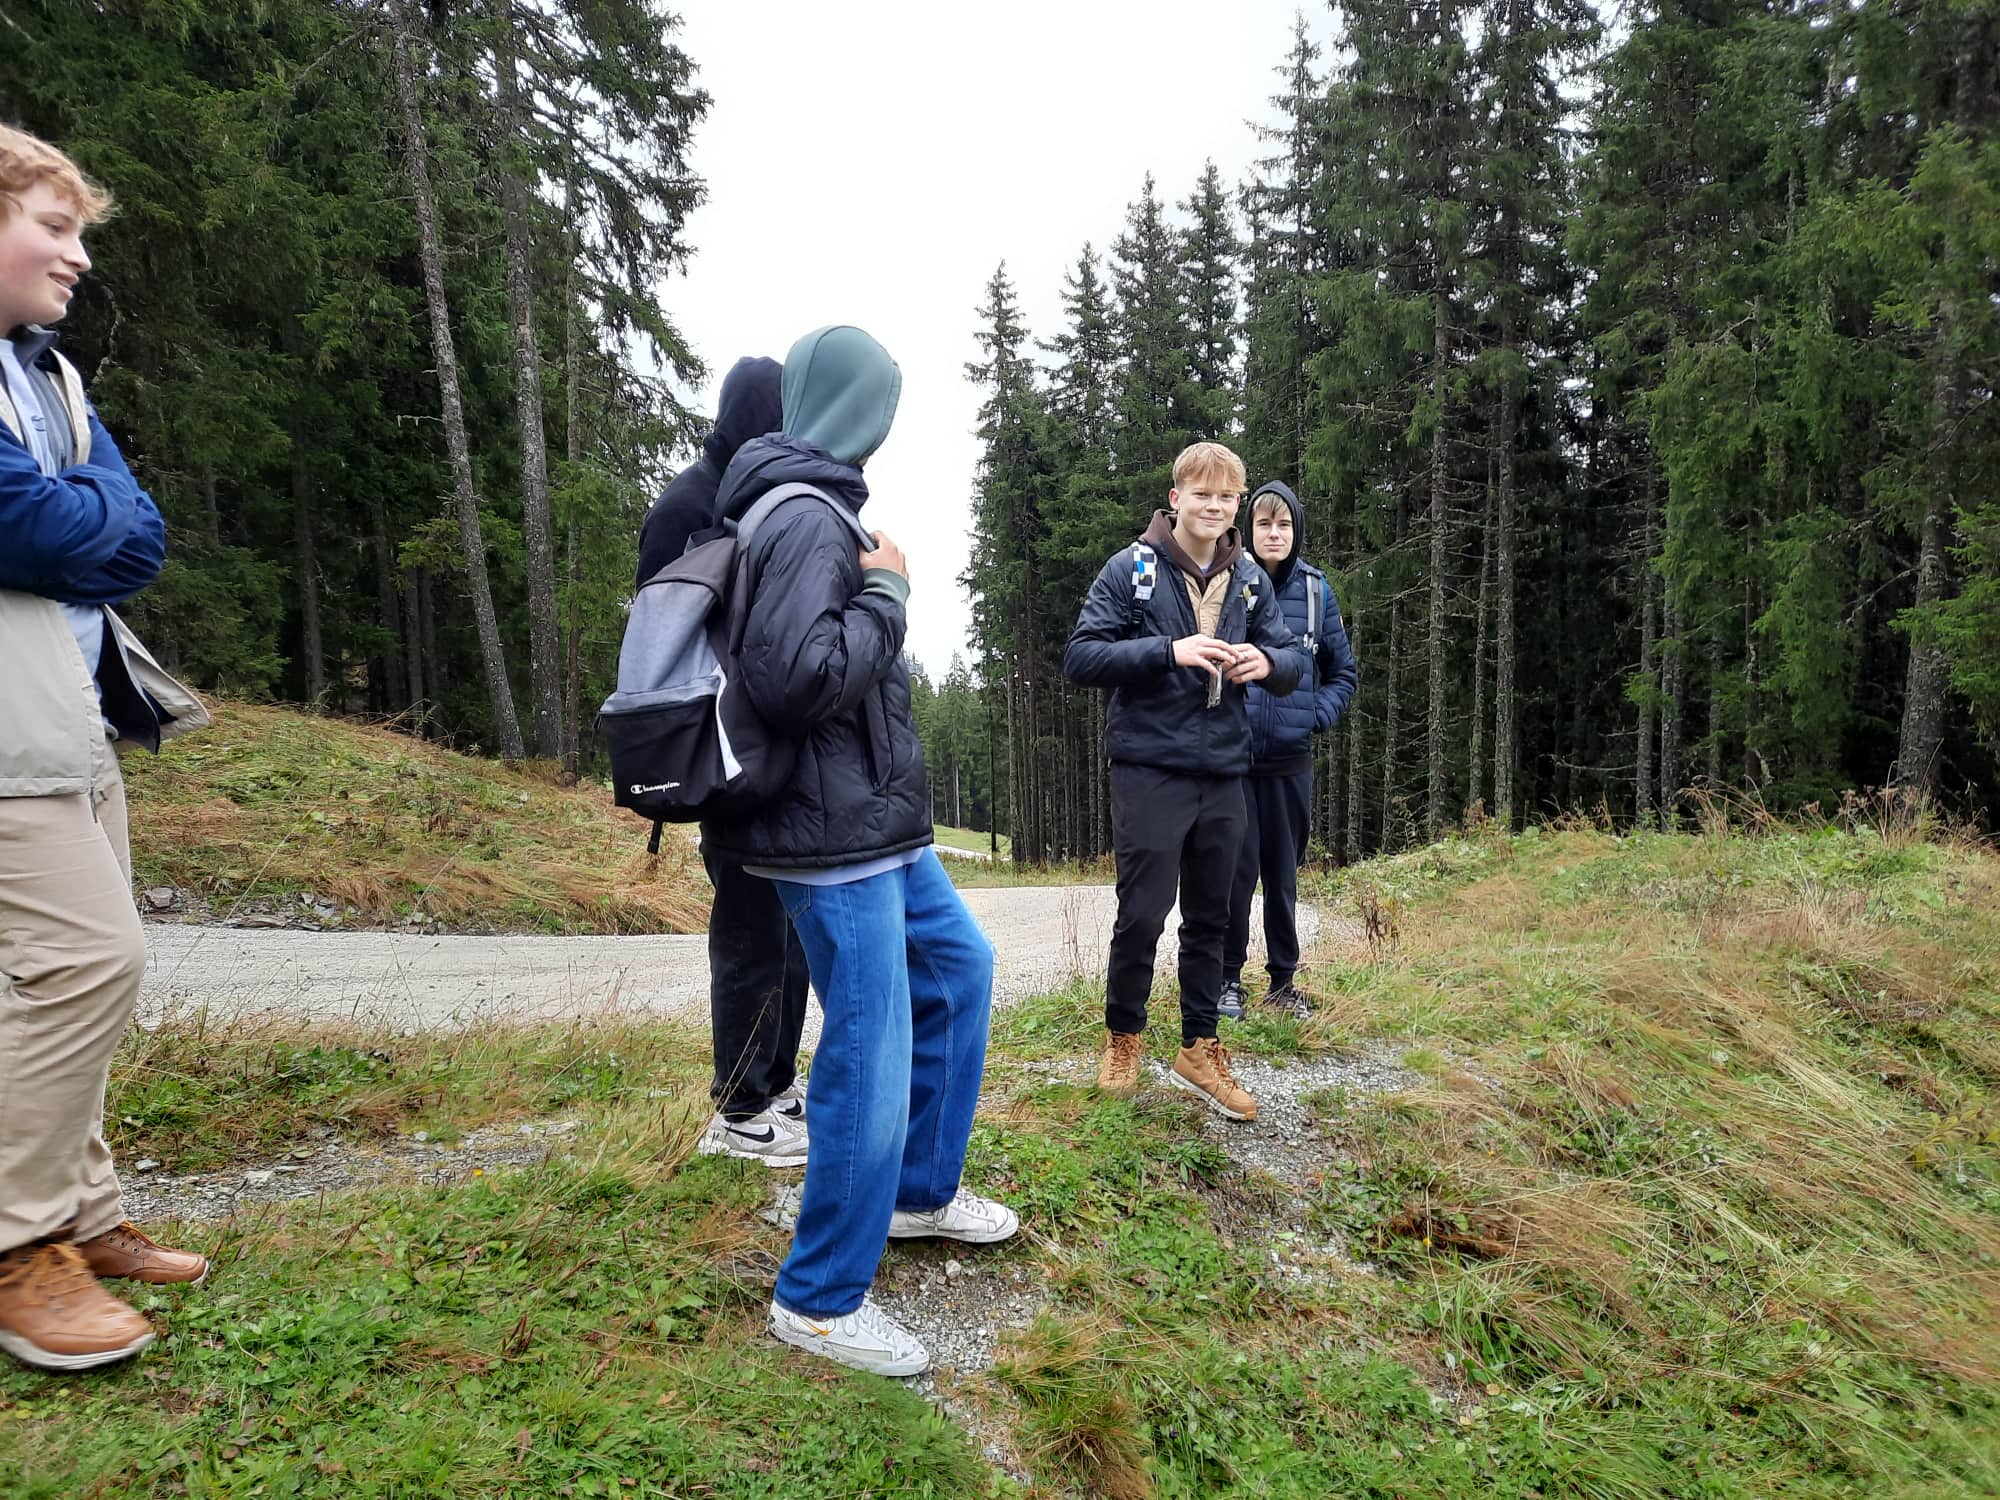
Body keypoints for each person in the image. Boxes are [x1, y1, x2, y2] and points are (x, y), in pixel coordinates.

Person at [706, 325, 1015, 1377]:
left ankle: (917, 1195)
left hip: (873, 825)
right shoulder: (801, 515)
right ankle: (820, 1298)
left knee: (959, 969)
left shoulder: (814, 505)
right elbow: (796, 678)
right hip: (828, 836)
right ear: (860, 410)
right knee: (869, 1047)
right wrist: (888, 597)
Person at [0, 125, 212, 1374]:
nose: (78, 257)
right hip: (6, 729)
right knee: (88, 962)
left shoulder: (53, 378)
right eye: (54, 226)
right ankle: (17, 1246)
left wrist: (73, 517)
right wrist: (75, 517)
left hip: (71, 716)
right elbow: (28, 522)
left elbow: (138, 537)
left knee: (62, 972)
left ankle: (80, 1218)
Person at [1063, 441, 1309, 1122]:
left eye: (1227, 497)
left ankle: (1200, 1047)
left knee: (1213, 918)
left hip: (1225, 770)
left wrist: (1268, 663)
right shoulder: (1132, 569)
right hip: (1149, 767)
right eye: (1202, 494)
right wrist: (1168, 651)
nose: (1215, 507)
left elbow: (1293, 660)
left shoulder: (1250, 580)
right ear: (1176, 500)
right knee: (1142, 914)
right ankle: (1124, 1038)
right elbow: (1081, 656)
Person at [636, 356, 813, 1167]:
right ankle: (739, 1107)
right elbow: (662, 636)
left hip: (764, 740)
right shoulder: (690, 504)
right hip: (720, 743)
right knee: (749, 924)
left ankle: (774, 1084)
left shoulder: (749, 493)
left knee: (789, 924)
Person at [1221, 481, 1357, 1020]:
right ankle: (1227, 981)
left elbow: (1342, 674)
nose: (1273, 534)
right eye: (1263, 524)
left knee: (1282, 879)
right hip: (1234, 762)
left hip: (1290, 764)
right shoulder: (1230, 583)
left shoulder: (1318, 593)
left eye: (1283, 525)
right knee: (1233, 878)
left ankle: (1282, 983)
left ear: (1296, 530)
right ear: (1249, 530)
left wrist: (1313, 716)